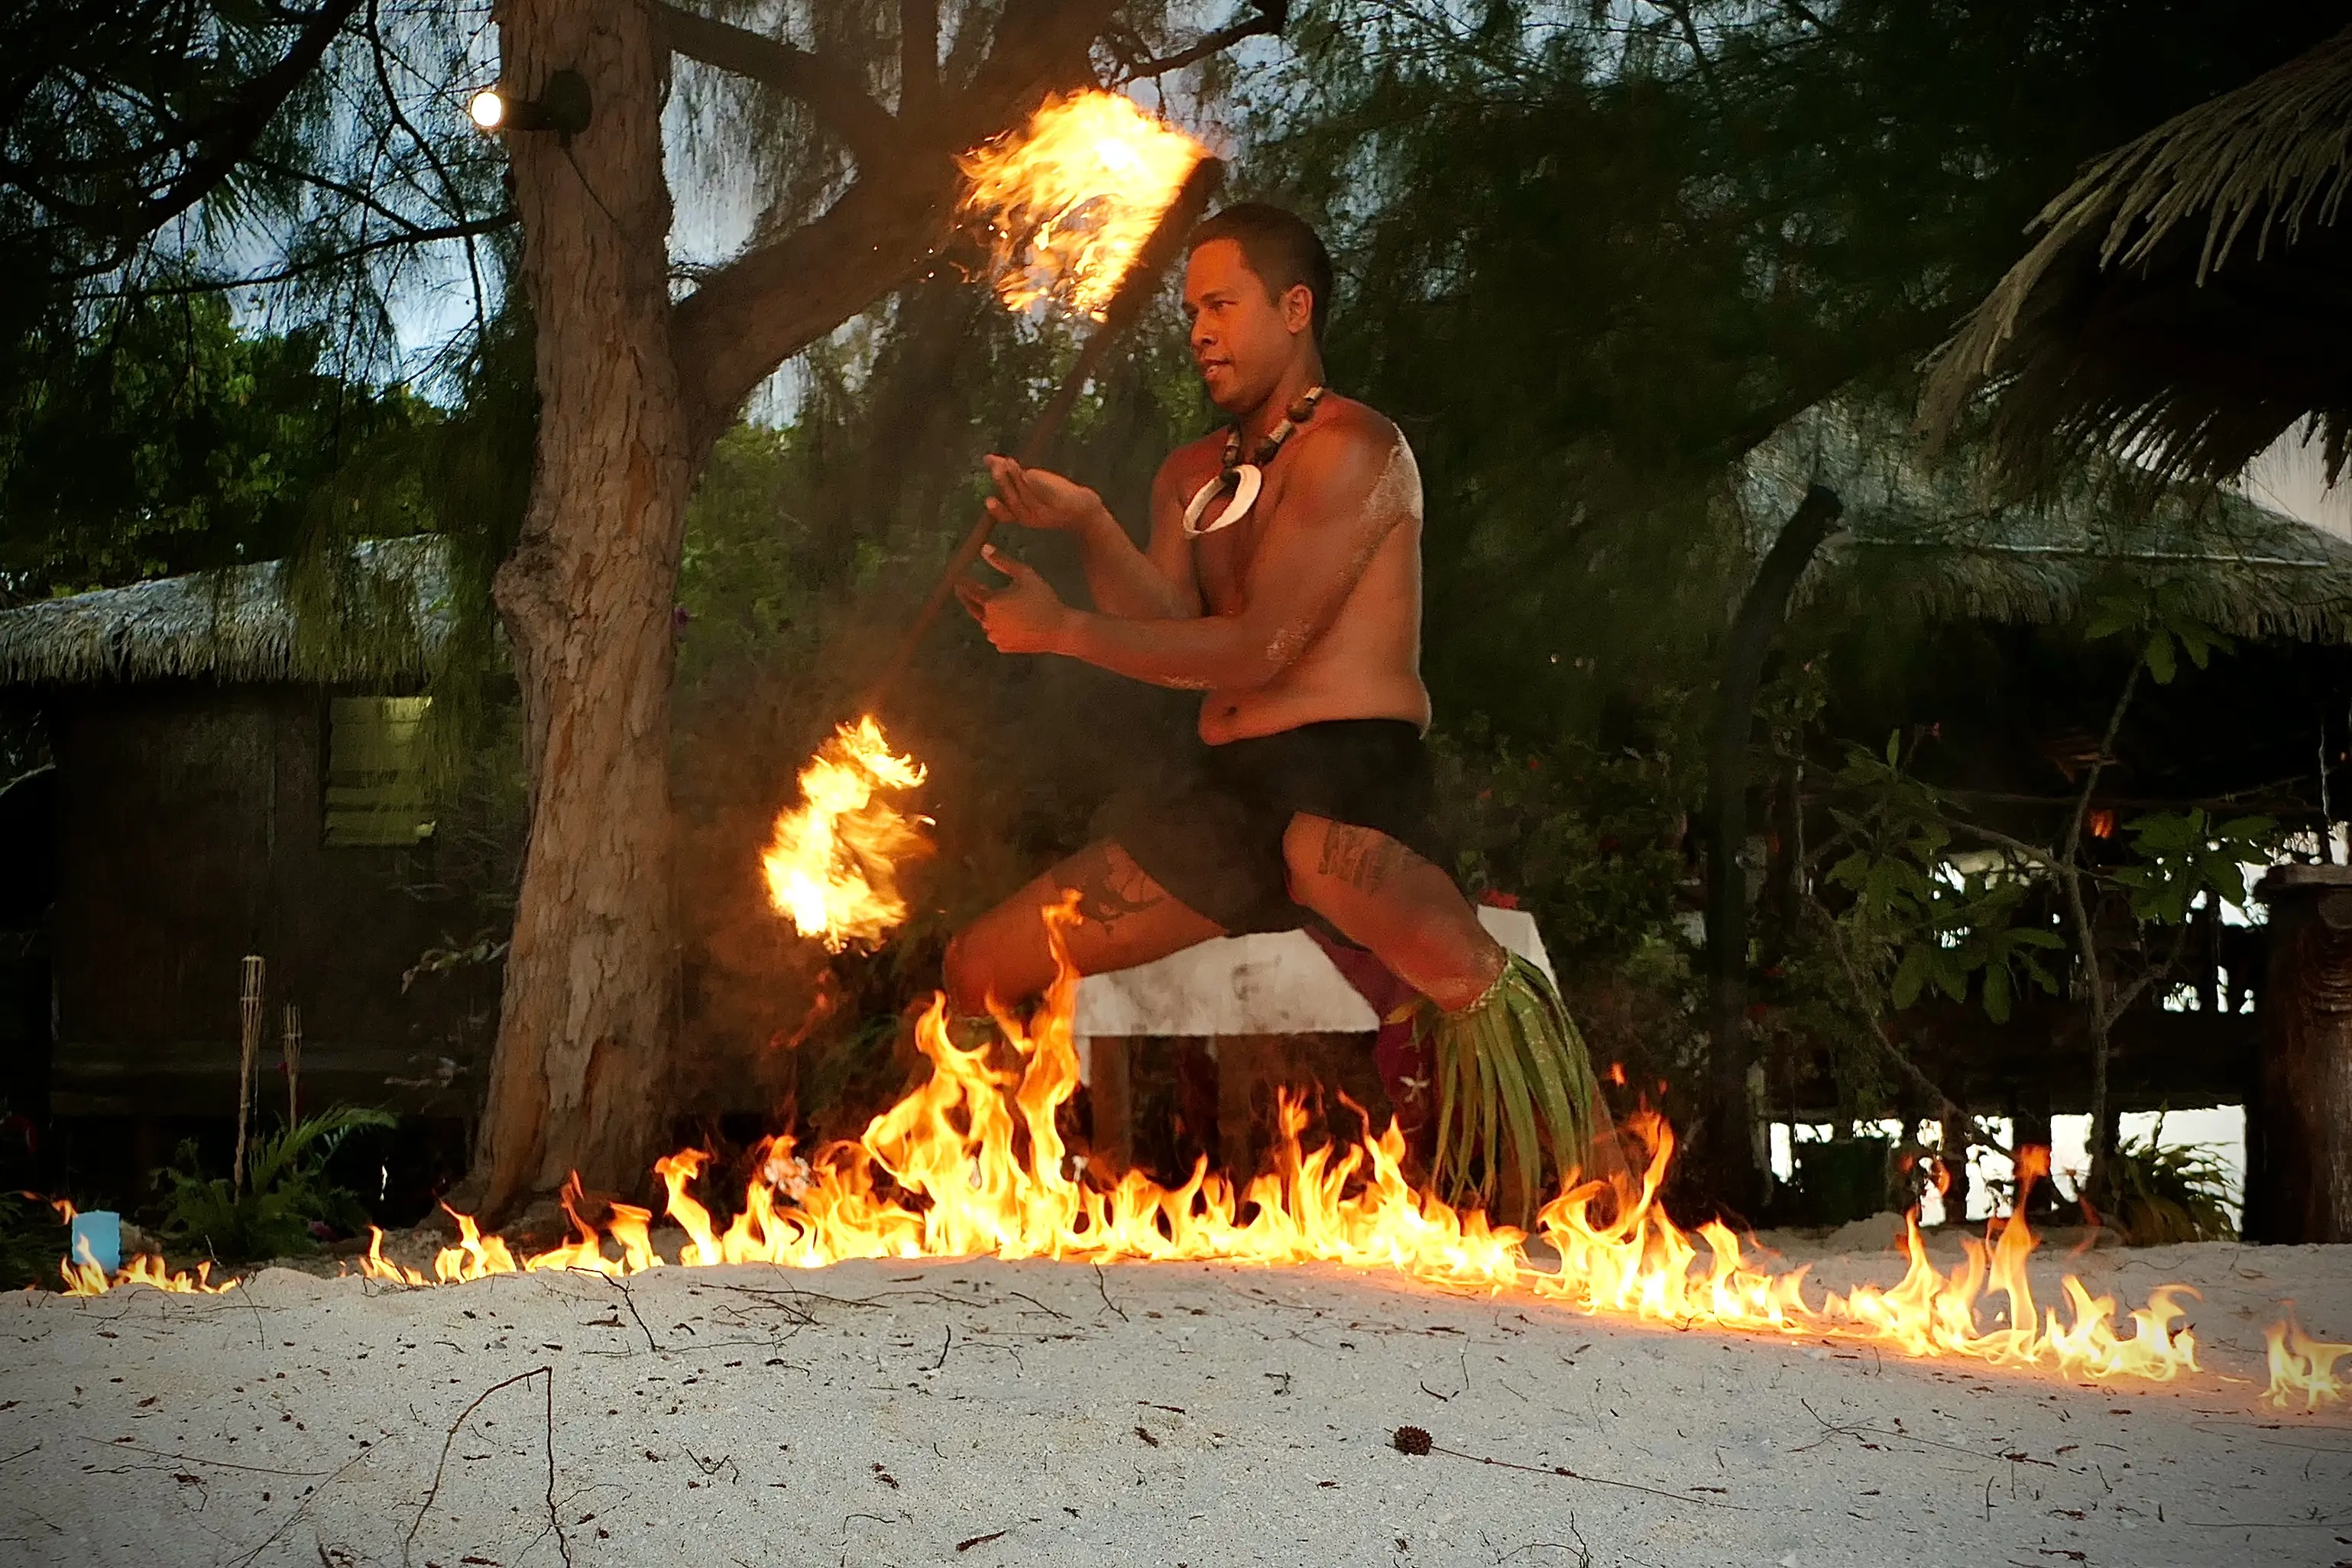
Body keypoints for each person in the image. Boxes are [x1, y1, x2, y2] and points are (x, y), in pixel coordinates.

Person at [948, 203, 1602, 1206]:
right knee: (978, 964)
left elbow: (1258, 648)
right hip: (1230, 795)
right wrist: (1086, 527)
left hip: (1348, 778)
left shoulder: (1354, 450)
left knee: (1476, 994)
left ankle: (1593, 1193)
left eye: (1220, 304)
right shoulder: (1186, 476)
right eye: (1187, 312)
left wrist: (1062, 630)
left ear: (1293, 307)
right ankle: (992, 1199)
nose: (1199, 330)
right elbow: (1176, 631)